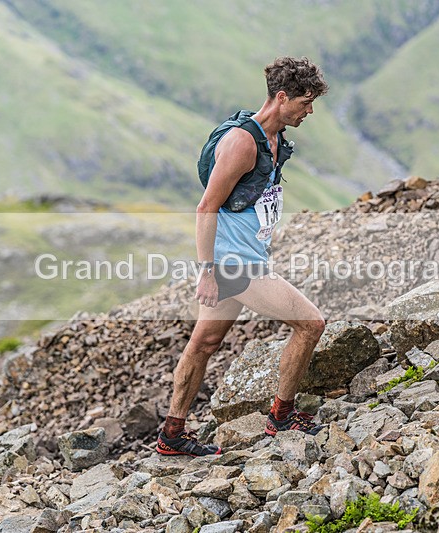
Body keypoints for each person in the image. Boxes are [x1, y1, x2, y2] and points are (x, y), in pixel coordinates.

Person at [156, 57, 330, 457]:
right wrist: (207, 273)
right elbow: (206, 208)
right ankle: (282, 416)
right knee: (311, 324)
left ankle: (171, 435)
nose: (310, 111)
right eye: (305, 102)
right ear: (282, 97)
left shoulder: (274, 138)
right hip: (235, 264)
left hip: (242, 258)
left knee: (204, 343)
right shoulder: (242, 142)